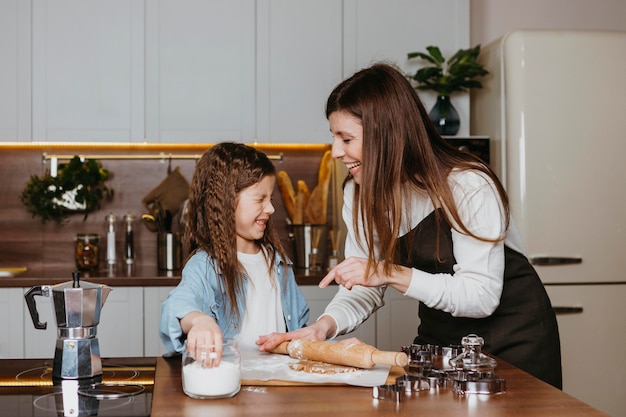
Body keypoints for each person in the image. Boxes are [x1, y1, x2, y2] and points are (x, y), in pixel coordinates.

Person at [257, 63, 562, 388]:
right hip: (440, 340)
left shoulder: (467, 184)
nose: (335, 152)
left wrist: (390, 272)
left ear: (388, 135)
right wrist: (324, 327)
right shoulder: (358, 193)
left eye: (346, 138)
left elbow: (481, 296)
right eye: (335, 137)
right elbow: (364, 284)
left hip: (515, 339)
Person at [160, 142, 310, 363]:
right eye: (260, 199)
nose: (271, 209)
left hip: (280, 387)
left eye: (271, 199)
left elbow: (301, 331)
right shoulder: (206, 265)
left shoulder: (278, 262)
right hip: (231, 387)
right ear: (226, 202)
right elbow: (177, 305)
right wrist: (199, 321)